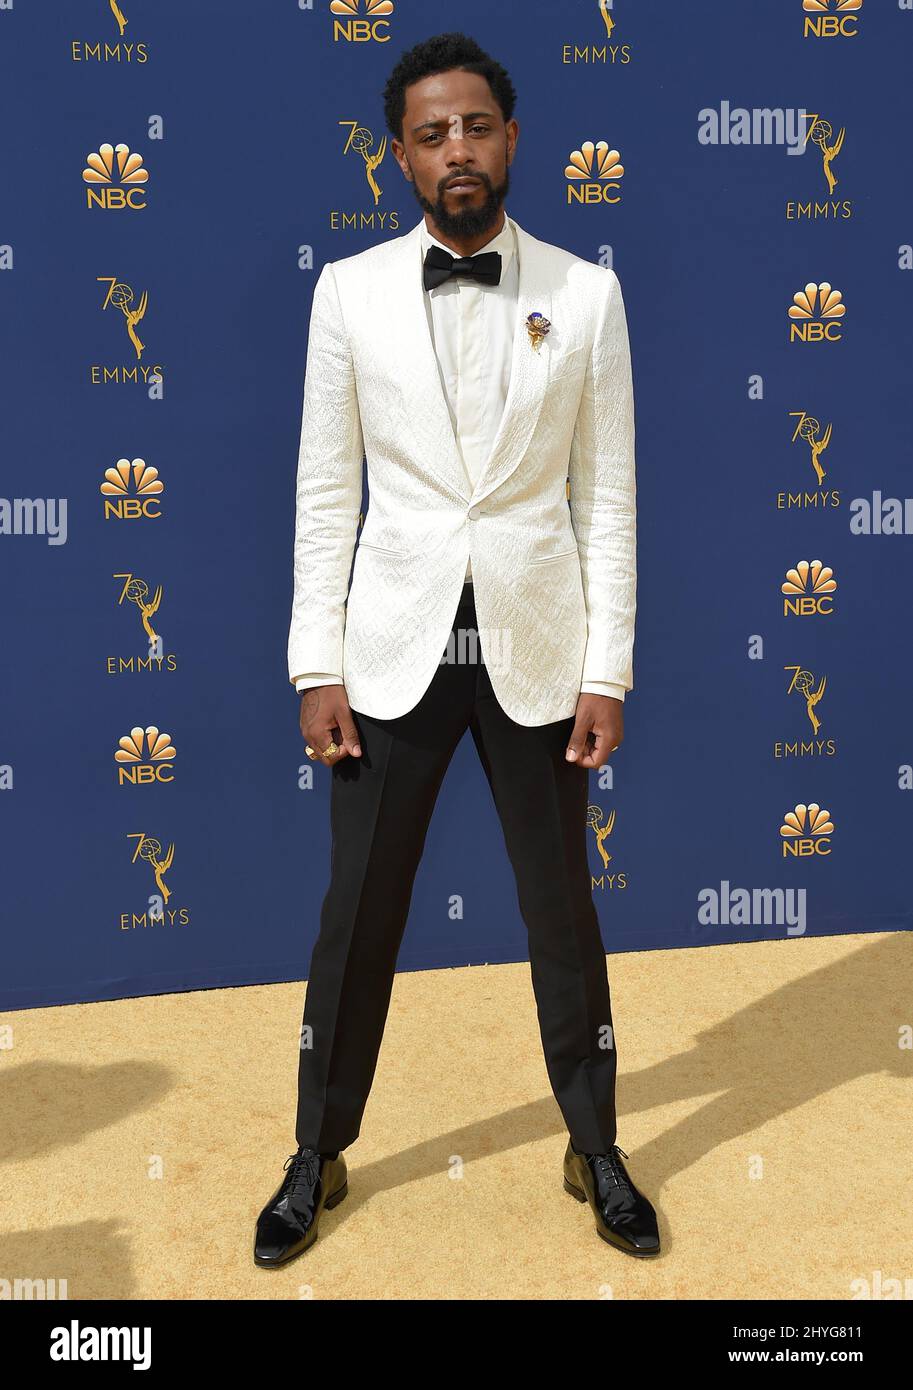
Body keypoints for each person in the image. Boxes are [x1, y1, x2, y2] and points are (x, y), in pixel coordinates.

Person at [254, 30, 660, 1269]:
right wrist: (311, 663)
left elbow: (609, 498)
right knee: (355, 918)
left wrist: (608, 670)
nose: (457, 150)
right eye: (431, 135)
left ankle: (594, 1145)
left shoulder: (587, 293)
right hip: (392, 651)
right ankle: (314, 1153)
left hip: (537, 644)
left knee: (563, 917)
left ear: (511, 139)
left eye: (475, 127)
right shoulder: (346, 292)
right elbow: (327, 493)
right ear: (399, 158)